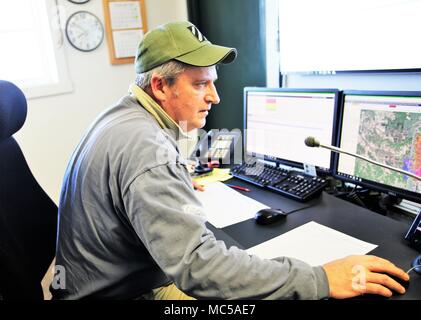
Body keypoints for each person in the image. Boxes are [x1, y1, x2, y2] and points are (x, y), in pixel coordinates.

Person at [51, 21, 409, 300]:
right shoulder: (148, 148)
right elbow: (199, 269)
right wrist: (321, 278)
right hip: (128, 292)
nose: (215, 97)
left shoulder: (121, 116)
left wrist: (169, 184)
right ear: (160, 86)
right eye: (200, 84)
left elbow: (129, 181)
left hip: (94, 280)